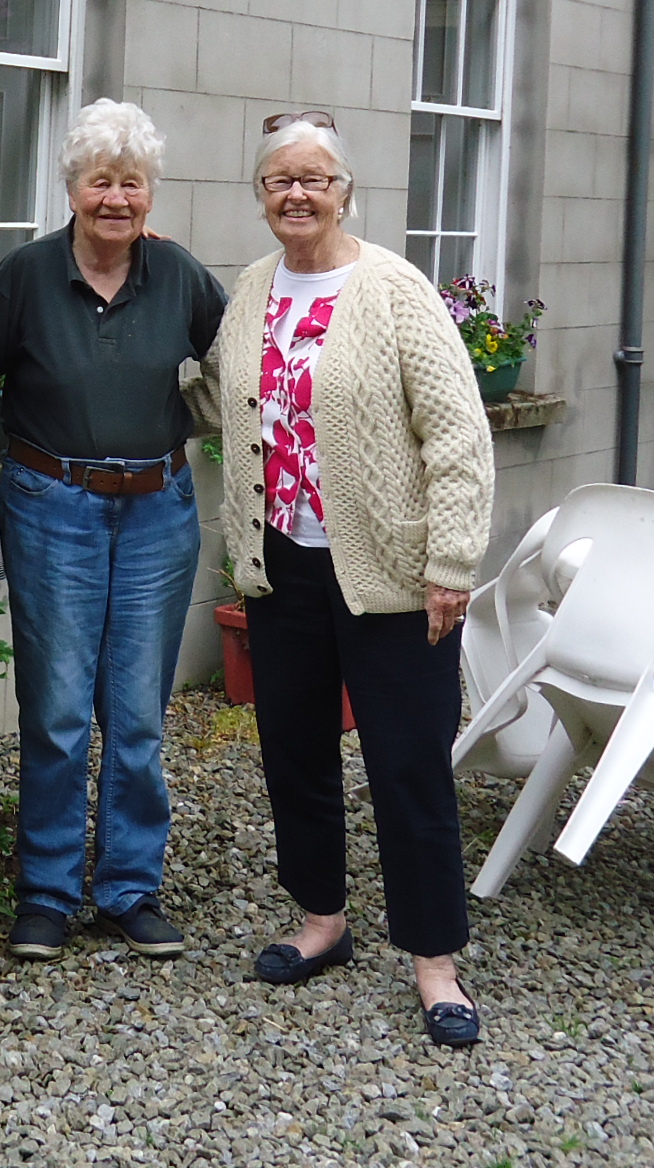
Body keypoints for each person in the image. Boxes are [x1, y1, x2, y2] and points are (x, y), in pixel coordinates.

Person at [192, 113, 494, 1048]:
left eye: (314, 179)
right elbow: (217, 397)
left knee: (407, 763)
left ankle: (435, 960)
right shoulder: (252, 289)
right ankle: (322, 918)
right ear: (261, 194)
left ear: (345, 191)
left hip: (391, 572)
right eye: (279, 179)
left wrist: (451, 564)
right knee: (294, 750)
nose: (297, 194)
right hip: (280, 561)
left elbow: (458, 434)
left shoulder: (395, 289)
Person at [0, 100, 226, 962]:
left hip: (157, 510)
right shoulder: (26, 275)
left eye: (132, 183)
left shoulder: (180, 275)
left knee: (137, 712)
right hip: (53, 506)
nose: (116, 198)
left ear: (149, 193)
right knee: (55, 712)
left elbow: (241, 357)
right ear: (72, 188)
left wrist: (207, 415)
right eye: (100, 182)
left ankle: (128, 886)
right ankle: (47, 893)